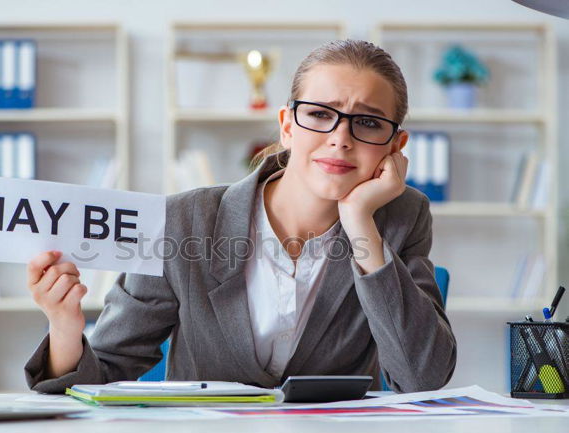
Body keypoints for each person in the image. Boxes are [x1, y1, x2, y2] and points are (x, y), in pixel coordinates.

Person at [24, 39, 456, 394]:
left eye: (367, 122)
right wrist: (64, 326)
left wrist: (362, 221)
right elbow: (104, 374)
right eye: (321, 115)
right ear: (287, 126)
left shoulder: (402, 217)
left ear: (396, 145)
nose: (340, 139)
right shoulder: (183, 220)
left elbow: (422, 377)